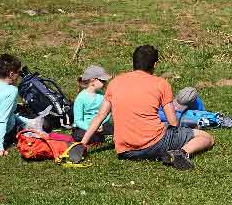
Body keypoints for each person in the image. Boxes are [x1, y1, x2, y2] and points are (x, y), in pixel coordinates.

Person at [79, 45, 214, 170]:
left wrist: (82, 144)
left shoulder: (115, 83)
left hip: (126, 151)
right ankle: (181, 153)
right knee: (206, 138)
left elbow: (100, 116)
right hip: (156, 144)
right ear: (155, 64)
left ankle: (175, 152)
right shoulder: (161, 83)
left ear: (133, 62)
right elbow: (173, 122)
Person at [72, 64, 113, 144]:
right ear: (92, 80)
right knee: (79, 135)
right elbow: (78, 120)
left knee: (116, 129)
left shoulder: (102, 95)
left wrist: (102, 124)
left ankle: (102, 137)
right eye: (102, 80)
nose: (105, 82)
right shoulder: (80, 98)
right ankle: (102, 138)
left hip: (101, 125)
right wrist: (90, 128)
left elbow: (106, 113)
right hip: (85, 127)